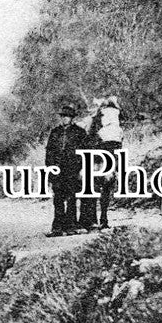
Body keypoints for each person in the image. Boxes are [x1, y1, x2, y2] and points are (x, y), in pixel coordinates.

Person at [45, 103, 88, 237]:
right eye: (63, 116)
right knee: (57, 198)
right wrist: (50, 168)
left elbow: (85, 152)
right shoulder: (55, 132)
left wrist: (82, 170)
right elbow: (49, 152)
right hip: (57, 169)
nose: (65, 119)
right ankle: (57, 228)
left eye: (67, 116)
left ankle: (70, 226)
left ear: (72, 118)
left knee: (71, 198)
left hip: (72, 169)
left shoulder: (80, 132)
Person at [86, 96, 123, 229]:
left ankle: (102, 218)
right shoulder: (99, 119)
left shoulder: (112, 119)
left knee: (104, 186)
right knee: (98, 187)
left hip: (108, 150)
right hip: (100, 152)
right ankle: (96, 219)